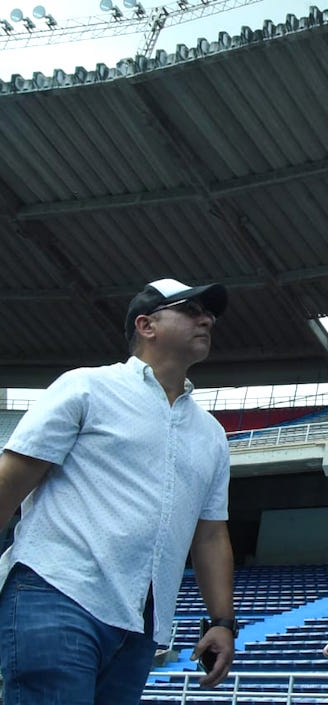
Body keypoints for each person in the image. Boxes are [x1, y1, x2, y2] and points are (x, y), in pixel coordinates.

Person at [0, 278, 238, 705]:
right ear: (146, 325)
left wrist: (222, 620)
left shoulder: (212, 434)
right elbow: (11, 479)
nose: (207, 319)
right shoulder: (86, 387)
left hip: (142, 623)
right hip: (58, 591)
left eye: (210, 315)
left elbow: (210, 534)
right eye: (190, 310)